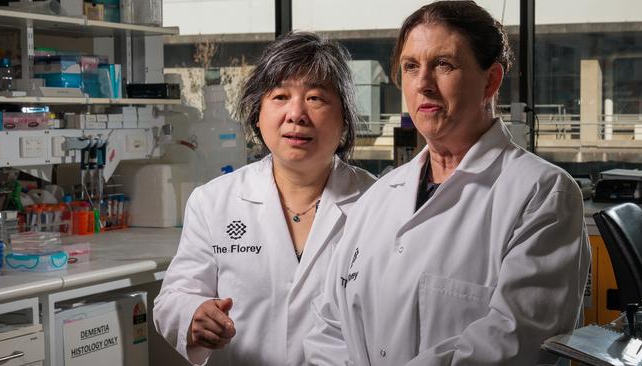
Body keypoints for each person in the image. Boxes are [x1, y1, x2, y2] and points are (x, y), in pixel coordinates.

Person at [304, 2, 591, 365]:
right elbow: (328, 324)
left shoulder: (543, 194)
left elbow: (511, 343)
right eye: (410, 67)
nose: (423, 84)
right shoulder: (378, 196)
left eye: (443, 65)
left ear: (491, 80)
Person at [153, 31, 376, 366]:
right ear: (258, 114)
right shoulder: (213, 202)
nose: (296, 113)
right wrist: (193, 315)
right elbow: (173, 298)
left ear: (344, 118)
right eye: (280, 96)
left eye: (315, 98)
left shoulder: (377, 203)